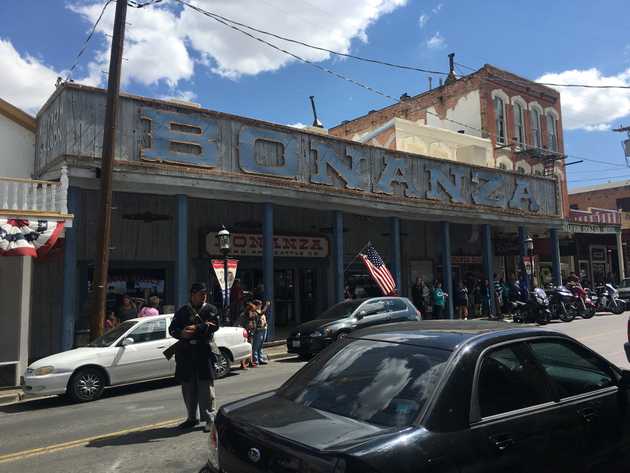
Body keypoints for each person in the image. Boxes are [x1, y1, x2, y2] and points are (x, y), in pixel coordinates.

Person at [168, 283, 220, 432]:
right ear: (192, 295)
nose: (203, 295)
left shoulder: (210, 309)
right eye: (200, 293)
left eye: (204, 293)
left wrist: (198, 328)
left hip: (203, 352)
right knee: (188, 388)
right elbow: (172, 329)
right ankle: (191, 418)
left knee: (206, 389)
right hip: (186, 354)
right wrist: (181, 333)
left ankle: (210, 419)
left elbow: (215, 326)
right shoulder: (182, 311)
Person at [252, 300, 268, 366]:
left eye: (261, 304)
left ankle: (260, 359)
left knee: (261, 346)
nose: (261, 305)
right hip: (259, 330)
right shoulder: (255, 312)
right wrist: (266, 306)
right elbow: (260, 314)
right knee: (256, 346)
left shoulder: (261, 311)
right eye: (259, 304)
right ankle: (256, 360)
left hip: (264, 329)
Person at [241, 302, 257, 368]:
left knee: (250, 348)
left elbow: (255, 318)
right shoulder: (243, 315)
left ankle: (250, 361)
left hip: (251, 332)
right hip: (245, 333)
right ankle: (242, 363)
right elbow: (242, 324)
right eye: (251, 309)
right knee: (244, 348)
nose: (253, 311)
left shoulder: (252, 314)